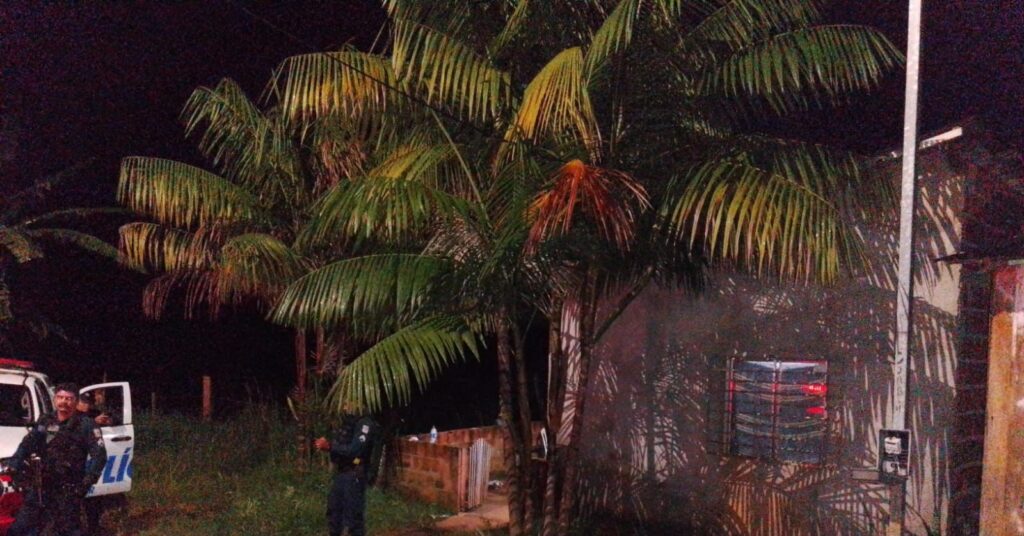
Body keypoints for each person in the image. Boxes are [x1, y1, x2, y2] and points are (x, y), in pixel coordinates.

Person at [7, 383, 107, 536]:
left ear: (75, 401)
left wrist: (87, 482)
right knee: (21, 528)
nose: (64, 402)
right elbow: (28, 444)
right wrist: (15, 464)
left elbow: (99, 455)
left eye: (69, 398)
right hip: (42, 484)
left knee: (68, 529)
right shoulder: (46, 421)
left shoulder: (86, 425)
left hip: (68, 489)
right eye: (60, 397)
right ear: (55, 399)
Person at [314, 408, 378, 536]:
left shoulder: (365, 424)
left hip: (354, 474)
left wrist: (330, 447)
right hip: (342, 473)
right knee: (334, 511)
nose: (345, 405)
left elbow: (355, 450)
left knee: (354, 516)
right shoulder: (348, 422)